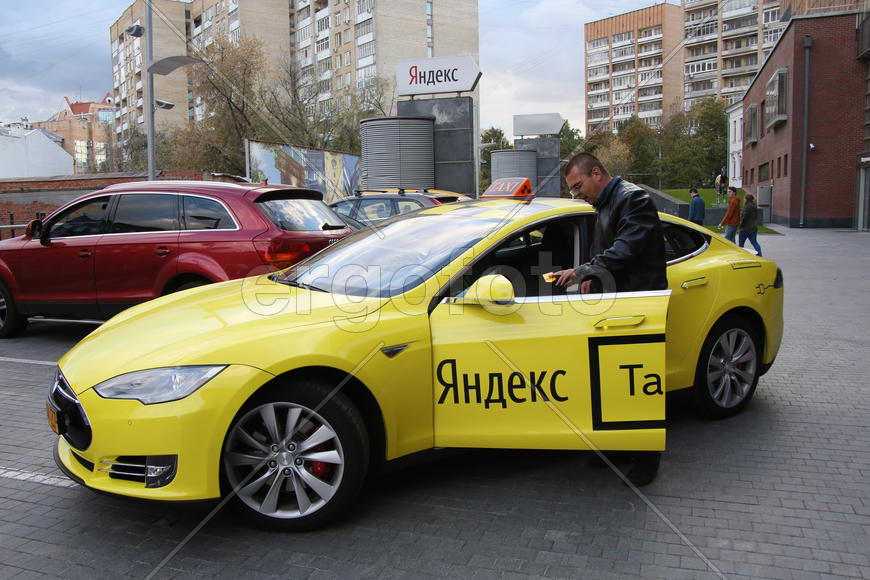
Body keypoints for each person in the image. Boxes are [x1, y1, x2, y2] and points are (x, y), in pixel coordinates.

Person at [552, 153, 667, 487]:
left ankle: (648, 459)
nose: (577, 194)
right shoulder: (603, 202)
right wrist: (594, 276)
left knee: (639, 385)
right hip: (617, 304)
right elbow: (607, 253)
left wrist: (582, 271)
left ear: (597, 173)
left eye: (577, 187)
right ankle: (620, 447)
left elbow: (626, 249)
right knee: (615, 383)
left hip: (639, 306)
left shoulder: (634, 200)